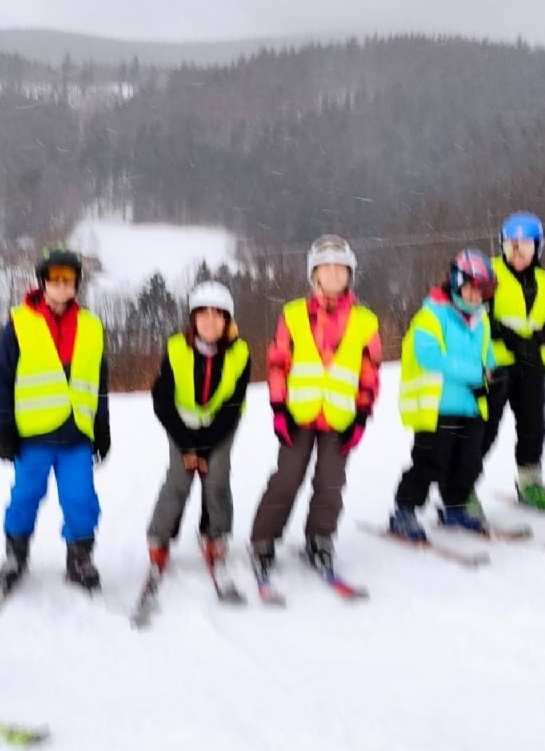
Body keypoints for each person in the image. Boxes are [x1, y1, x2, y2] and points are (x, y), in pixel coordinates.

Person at [248, 235, 382, 575]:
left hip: (340, 417)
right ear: (314, 275)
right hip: (299, 414)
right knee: (287, 478)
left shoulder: (365, 321)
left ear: (350, 275)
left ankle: (320, 538)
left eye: (341, 270)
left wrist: (362, 415)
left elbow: (370, 372)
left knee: (331, 482)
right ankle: (263, 539)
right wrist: (279, 410)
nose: (334, 276)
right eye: (327, 269)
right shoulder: (293, 315)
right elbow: (278, 363)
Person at [0, 247, 111, 592]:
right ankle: (16, 552)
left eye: (68, 280)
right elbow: (2, 379)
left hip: (76, 435)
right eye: (54, 280)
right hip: (34, 436)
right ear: (43, 283)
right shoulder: (20, 324)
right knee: (25, 495)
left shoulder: (90, 327)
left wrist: (102, 429)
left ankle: (80, 556)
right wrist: (5, 430)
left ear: (76, 285)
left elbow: (98, 383)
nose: (61, 286)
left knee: (81, 498)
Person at [388, 249, 499, 540]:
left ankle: (456, 505)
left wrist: (490, 371)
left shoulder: (482, 320)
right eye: (470, 289)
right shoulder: (432, 316)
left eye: (482, 292)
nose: (475, 297)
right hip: (438, 406)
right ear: (455, 282)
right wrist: (475, 372)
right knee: (430, 461)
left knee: (469, 462)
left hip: (471, 407)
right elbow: (430, 357)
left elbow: (489, 355)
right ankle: (405, 510)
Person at [144, 280, 252, 573]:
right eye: (203, 314)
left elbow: (232, 405)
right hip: (182, 423)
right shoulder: (177, 349)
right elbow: (161, 399)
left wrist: (206, 446)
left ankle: (215, 532)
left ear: (228, 321)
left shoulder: (240, 354)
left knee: (216, 477)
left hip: (221, 426)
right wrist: (188, 445)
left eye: (218, 315)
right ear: (193, 319)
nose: (210, 321)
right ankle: (160, 535)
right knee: (179, 479)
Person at [481, 211, 545, 511]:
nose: (518, 252)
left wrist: (538, 339)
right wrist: (509, 337)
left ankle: (530, 482)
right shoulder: (489, 274)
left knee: (533, 427)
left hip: (532, 366)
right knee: (485, 428)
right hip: (495, 365)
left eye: (525, 246)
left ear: (537, 248)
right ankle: (461, 488)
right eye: (511, 245)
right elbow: (478, 315)